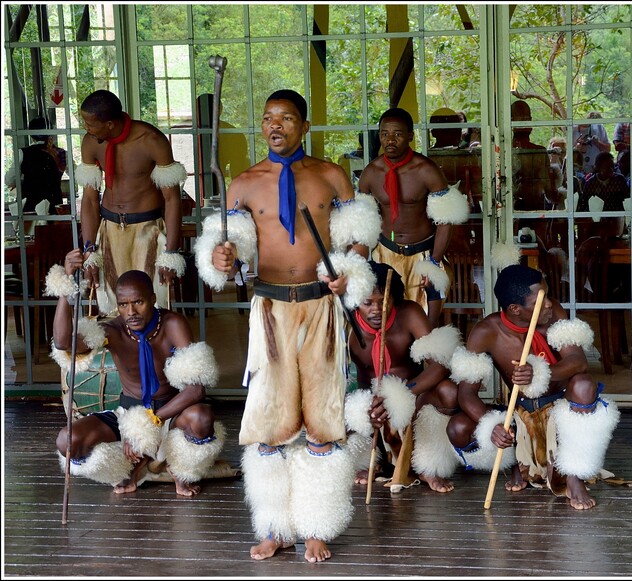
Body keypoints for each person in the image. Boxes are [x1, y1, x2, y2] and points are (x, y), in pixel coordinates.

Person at [195, 89, 381, 562]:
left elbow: (359, 240)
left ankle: (317, 526)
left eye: (286, 118)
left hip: (320, 306)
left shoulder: (330, 176)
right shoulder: (243, 184)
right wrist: (221, 257)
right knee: (269, 419)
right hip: (271, 308)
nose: (275, 125)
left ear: (304, 126)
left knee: (323, 418)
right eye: (267, 118)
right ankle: (276, 526)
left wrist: (349, 272)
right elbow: (228, 261)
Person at [446, 264, 620, 510]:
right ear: (515, 309)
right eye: (540, 299)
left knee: (583, 384)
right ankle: (515, 464)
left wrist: (540, 372)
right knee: (458, 427)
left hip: (560, 409)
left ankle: (573, 475)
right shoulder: (487, 331)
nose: (549, 303)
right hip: (522, 416)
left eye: (548, 295)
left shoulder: (554, 312)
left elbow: (578, 362)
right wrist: (491, 425)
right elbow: (466, 393)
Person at [46, 259, 224, 497]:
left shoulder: (172, 324)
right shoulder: (114, 331)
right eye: (123, 305)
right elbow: (63, 343)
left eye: (138, 302)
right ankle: (136, 465)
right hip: (128, 413)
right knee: (68, 441)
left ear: (152, 298)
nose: (131, 312)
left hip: (172, 413)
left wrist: (148, 425)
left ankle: (179, 469)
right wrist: (64, 287)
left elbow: (196, 390)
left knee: (202, 418)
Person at [343, 262, 462, 493]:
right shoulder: (345, 323)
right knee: (342, 407)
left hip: (412, 399)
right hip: (371, 406)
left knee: (449, 391)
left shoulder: (409, 313)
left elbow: (440, 366)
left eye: (384, 301)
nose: (377, 309)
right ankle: (371, 460)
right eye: (368, 303)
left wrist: (401, 394)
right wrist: (367, 407)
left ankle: (426, 465)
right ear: (356, 300)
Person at [75, 90, 187, 315]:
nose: (85, 128)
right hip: (109, 230)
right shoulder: (91, 143)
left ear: (108, 124)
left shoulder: (151, 140)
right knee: (111, 307)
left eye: (90, 124)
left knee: (152, 305)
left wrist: (171, 252)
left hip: (147, 230)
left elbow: (172, 199)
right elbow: (89, 200)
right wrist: (89, 251)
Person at [359, 107, 469, 329]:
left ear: (410, 136)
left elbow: (445, 221)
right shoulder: (371, 173)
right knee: (386, 320)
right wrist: (361, 263)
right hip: (385, 253)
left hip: (423, 255)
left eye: (398, 134)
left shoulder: (426, 170)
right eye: (384, 134)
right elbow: (361, 223)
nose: (390, 140)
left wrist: (434, 262)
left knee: (425, 324)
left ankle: (425, 363)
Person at [5, 117, 68, 214]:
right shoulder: (62, 153)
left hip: (29, 207)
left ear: (31, 136)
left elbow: (9, 180)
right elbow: (74, 175)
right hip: (54, 205)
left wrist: (22, 179)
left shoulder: (22, 153)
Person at [510, 99, 561, 211]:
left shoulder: (539, 152)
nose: (525, 123)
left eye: (527, 119)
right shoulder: (505, 152)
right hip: (511, 210)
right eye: (521, 119)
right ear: (511, 121)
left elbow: (550, 192)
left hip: (535, 210)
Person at [573, 111, 612, 179]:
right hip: (578, 169)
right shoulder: (573, 129)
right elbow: (567, 154)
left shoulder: (599, 128)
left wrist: (597, 142)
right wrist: (577, 148)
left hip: (595, 169)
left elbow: (608, 150)